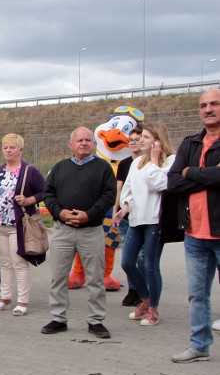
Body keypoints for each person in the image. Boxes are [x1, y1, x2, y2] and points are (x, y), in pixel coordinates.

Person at [41, 127, 117, 338]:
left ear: (93, 144)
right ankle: (58, 318)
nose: (84, 143)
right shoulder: (59, 168)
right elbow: (48, 193)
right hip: (62, 231)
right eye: (79, 140)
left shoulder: (103, 168)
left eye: (88, 140)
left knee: (95, 279)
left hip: (90, 231)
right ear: (70, 144)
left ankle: (96, 320)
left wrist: (89, 214)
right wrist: (60, 212)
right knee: (58, 277)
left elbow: (109, 195)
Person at [166, 89, 220, 363]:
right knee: (197, 295)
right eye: (203, 105)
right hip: (194, 234)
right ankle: (200, 345)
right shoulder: (190, 144)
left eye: (214, 104)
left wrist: (192, 172)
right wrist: (209, 176)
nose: (208, 109)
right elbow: (173, 181)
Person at [112, 122, 175, 327]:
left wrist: (155, 161)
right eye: (141, 138)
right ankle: (145, 299)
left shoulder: (170, 161)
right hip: (137, 219)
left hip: (155, 220)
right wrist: (125, 206)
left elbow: (158, 184)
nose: (141, 141)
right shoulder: (137, 161)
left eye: (146, 137)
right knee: (127, 262)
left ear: (157, 140)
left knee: (150, 265)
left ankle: (153, 309)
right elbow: (128, 188)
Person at [0, 134, 47, 316]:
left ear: (21, 150)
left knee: (19, 262)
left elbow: (45, 191)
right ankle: (5, 297)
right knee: (4, 263)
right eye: (5, 147)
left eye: (12, 147)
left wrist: (29, 200)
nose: (8, 150)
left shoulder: (29, 171)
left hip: (17, 226)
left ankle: (23, 301)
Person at [114, 125, 144, 307]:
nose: (132, 143)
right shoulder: (124, 164)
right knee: (129, 256)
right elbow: (120, 189)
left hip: (144, 217)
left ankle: (144, 292)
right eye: (130, 140)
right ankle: (133, 290)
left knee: (143, 257)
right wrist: (115, 210)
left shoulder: (150, 162)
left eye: (136, 139)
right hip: (125, 217)